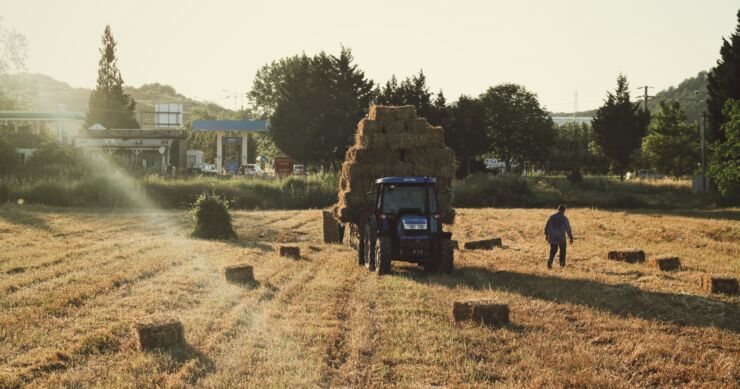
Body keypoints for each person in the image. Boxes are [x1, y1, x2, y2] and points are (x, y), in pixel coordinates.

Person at [544, 204, 573, 269]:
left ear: (558, 209)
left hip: (552, 236)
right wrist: (571, 237)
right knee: (562, 250)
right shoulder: (564, 218)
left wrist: (546, 235)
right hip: (561, 237)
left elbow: (547, 226)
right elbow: (568, 229)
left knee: (553, 250)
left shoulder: (552, 217)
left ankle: (550, 261)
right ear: (564, 210)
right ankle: (562, 264)